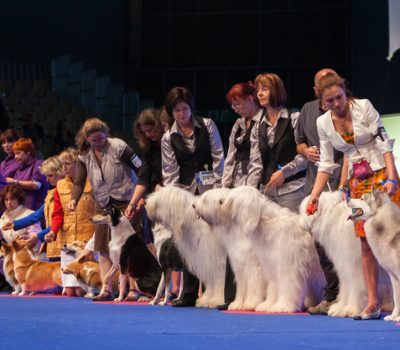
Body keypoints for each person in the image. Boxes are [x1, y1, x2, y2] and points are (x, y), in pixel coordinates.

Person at [306, 74, 400, 320]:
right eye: (330, 101)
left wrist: (392, 177)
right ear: (322, 102)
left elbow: (384, 143)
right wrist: (315, 196)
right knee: (366, 242)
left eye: (340, 97)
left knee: (396, 238)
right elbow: (326, 164)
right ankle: (373, 303)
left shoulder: (364, 106)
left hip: (381, 172)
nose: (337, 103)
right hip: (358, 181)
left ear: (345, 92)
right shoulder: (323, 124)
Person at [69, 117, 145, 301]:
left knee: (131, 246)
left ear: (106, 135)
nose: (99, 143)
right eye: (94, 140)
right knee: (102, 246)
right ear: (87, 139)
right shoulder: (83, 155)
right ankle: (107, 288)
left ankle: (135, 289)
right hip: (103, 204)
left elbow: (142, 168)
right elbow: (79, 182)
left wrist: (140, 196)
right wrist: (73, 199)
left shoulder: (119, 146)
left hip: (126, 201)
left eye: (102, 139)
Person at [161, 86, 224, 307]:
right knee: (188, 243)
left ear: (191, 107)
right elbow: (169, 172)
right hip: (186, 195)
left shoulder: (207, 125)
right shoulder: (168, 136)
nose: (181, 114)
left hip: (210, 192)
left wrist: (218, 189)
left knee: (213, 243)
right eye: (176, 110)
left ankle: (213, 292)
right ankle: (187, 293)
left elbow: (218, 156)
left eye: (185, 108)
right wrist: (174, 200)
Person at [296, 69, 342, 315]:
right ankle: (332, 296)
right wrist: (305, 151)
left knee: (347, 244)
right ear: (317, 90)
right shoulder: (308, 111)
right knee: (322, 247)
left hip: (344, 183)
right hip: (317, 183)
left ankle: (356, 296)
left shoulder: (350, 109)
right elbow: (299, 140)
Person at [217, 81, 263, 310]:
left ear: (250, 99)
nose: (235, 108)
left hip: (252, 191)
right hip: (235, 187)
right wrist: (225, 189)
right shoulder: (237, 125)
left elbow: (256, 161)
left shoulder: (262, 122)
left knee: (251, 246)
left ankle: (255, 294)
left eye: (238, 103)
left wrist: (249, 192)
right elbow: (230, 158)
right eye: (232, 105)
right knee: (234, 245)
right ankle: (233, 294)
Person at [125, 108, 179, 300]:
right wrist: (132, 204)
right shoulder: (148, 149)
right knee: (159, 245)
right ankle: (167, 289)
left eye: (152, 130)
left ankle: (177, 290)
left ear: (161, 125)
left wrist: (164, 185)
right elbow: (144, 178)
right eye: (145, 132)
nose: (149, 134)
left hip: (175, 197)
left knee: (177, 245)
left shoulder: (175, 141)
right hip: (156, 200)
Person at [247, 73, 307, 212]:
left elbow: (305, 156)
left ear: (276, 90)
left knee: (294, 232)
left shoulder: (294, 117)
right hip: (266, 193)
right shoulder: (257, 125)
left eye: (265, 89)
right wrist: (248, 192)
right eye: (258, 90)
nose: (260, 94)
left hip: (292, 190)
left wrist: (284, 172)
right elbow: (255, 163)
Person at [45, 148, 95, 297]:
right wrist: (53, 231)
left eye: (67, 163)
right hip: (68, 239)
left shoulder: (93, 182)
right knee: (69, 291)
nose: (64, 167)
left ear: (79, 164)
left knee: (81, 290)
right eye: (62, 164)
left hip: (87, 237)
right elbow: (58, 214)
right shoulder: (59, 186)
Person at [5, 138, 48, 211]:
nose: (15, 157)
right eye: (15, 154)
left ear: (28, 153)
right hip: (22, 210)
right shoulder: (19, 169)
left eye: (18, 153)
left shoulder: (39, 164)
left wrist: (15, 182)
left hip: (35, 210)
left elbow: (36, 185)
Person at [0, 185, 41, 252]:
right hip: (14, 256)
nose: (9, 202)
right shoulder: (3, 217)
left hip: (32, 254)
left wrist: (26, 238)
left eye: (12, 199)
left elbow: (36, 236)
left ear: (19, 199)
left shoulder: (30, 214)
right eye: (6, 199)